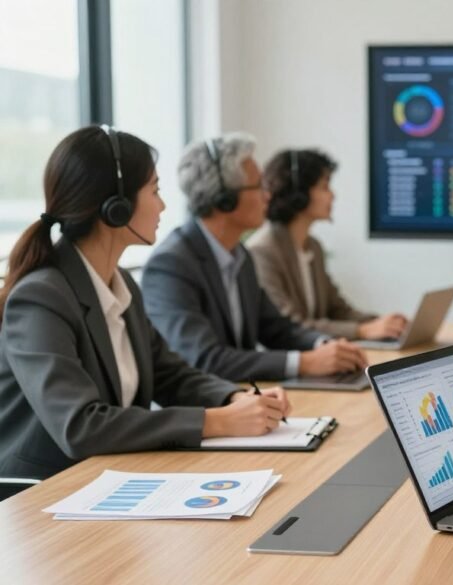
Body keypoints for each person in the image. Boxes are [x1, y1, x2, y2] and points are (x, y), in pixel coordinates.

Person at [0, 126, 292, 480]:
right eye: (154, 191)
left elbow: (169, 374)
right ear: (116, 207)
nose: (163, 205)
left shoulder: (121, 284)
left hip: (109, 477)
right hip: (47, 491)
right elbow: (80, 426)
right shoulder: (41, 298)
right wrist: (215, 421)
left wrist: (233, 399)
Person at [141, 133, 367, 382]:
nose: (268, 196)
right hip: (207, 403)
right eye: (259, 186)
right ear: (225, 199)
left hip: (244, 396)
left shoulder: (240, 255)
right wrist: (305, 362)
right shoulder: (171, 266)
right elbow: (205, 359)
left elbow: (275, 327)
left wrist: (324, 345)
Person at [247, 148, 407, 340]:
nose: (333, 195)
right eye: (324, 187)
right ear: (298, 194)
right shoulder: (262, 251)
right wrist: (362, 331)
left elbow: (338, 309)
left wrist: (386, 324)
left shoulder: (313, 246)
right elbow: (290, 325)